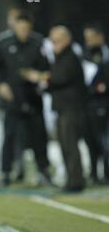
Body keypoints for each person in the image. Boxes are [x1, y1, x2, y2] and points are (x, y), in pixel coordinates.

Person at [0, 12, 53, 187]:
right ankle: (6, 173)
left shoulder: (39, 43)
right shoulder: (3, 43)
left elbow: (49, 67)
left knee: (39, 136)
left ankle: (44, 172)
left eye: (26, 29)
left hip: (33, 97)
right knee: (9, 135)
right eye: (21, 28)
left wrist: (39, 77)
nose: (23, 32)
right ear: (15, 26)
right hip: (11, 99)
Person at [22, 26, 87, 192]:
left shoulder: (70, 56)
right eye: (52, 41)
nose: (53, 44)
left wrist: (41, 77)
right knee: (65, 145)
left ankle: (76, 182)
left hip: (71, 108)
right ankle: (71, 180)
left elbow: (60, 78)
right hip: (62, 107)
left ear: (66, 39)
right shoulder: (60, 56)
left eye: (56, 40)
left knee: (70, 144)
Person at [82, 22, 109, 184]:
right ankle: (93, 173)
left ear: (100, 37)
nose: (89, 41)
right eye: (87, 38)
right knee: (90, 140)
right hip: (88, 104)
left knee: (103, 141)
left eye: (91, 38)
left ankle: (106, 173)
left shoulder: (105, 55)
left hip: (103, 104)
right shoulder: (85, 55)